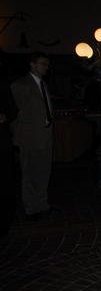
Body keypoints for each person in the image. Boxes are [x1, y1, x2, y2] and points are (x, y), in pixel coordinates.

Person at [10, 52, 53, 220]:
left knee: (43, 172)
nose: (46, 67)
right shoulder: (21, 85)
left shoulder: (43, 84)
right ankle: (31, 207)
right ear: (32, 64)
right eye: (43, 64)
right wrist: (19, 136)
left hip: (45, 135)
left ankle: (42, 203)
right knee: (29, 173)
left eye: (47, 64)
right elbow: (13, 113)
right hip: (29, 137)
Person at [0, 79, 18, 235]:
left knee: (5, 180)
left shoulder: (3, 85)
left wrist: (5, 116)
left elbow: (13, 109)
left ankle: (6, 219)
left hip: (2, 143)